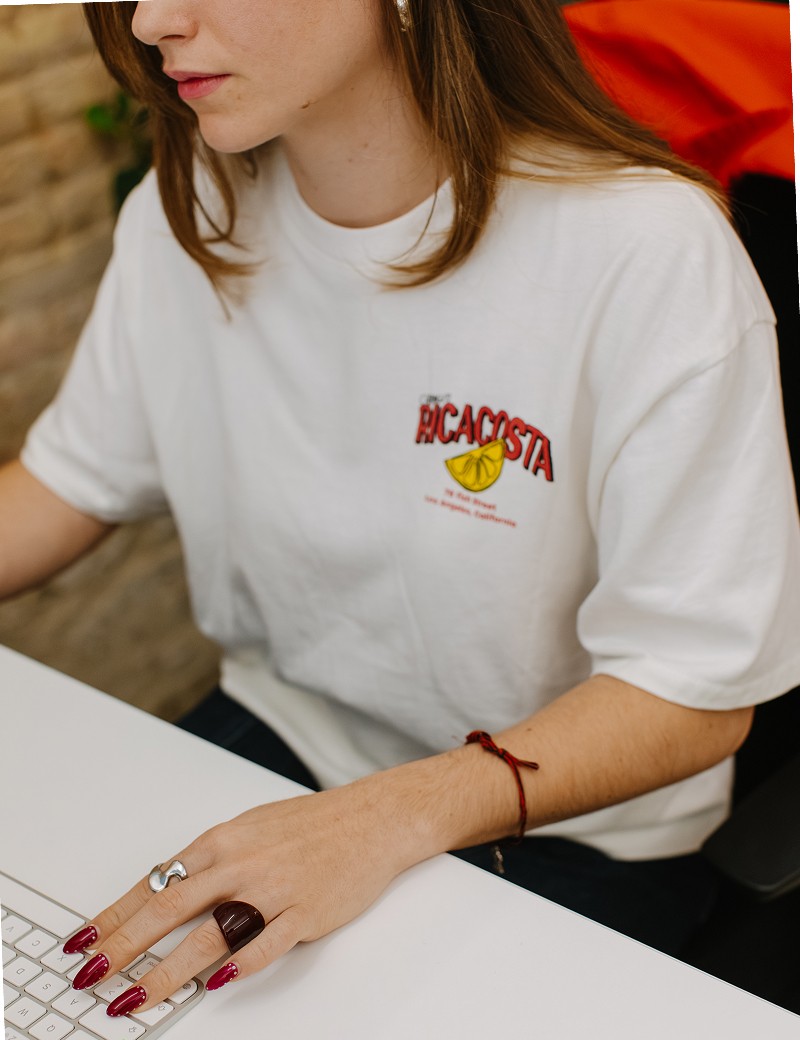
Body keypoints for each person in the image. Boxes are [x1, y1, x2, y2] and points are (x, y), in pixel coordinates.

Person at [1, 0, 799, 1019]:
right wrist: (336, 819)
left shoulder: (644, 248)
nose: (155, 20)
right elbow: (72, 481)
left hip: (567, 826)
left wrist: (380, 820)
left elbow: (694, 686)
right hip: (278, 737)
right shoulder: (188, 205)